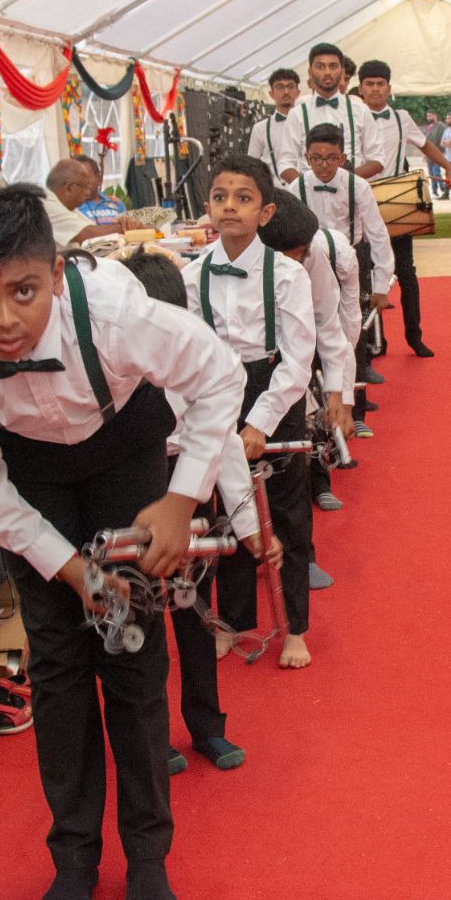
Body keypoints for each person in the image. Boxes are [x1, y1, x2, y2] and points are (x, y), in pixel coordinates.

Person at [0, 184, 266, 900]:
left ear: (53, 269)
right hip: (31, 479)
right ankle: (73, 857)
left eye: (23, 290)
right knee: (58, 667)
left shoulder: (112, 309)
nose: (3, 318)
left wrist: (180, 500)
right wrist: (70, 570)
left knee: (133, 656)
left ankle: (148, 858)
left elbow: (217, 376)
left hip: (125, 452)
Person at [113, 247, 264, 773]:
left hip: (190, 494)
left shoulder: (198, 362)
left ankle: (207, 727)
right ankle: (149, 738)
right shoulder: (111, 367)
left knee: (196, 618)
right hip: (131, 498)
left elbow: (222, 446)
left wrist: (249, 527)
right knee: (139, 626)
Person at [182, 155, 320, 670]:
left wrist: (260, 421)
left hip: (275, 393)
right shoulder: (192, 275)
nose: (229, 208)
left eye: (243, 198)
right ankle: (235, 622)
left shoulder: (287, 275)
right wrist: (216, 420)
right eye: (220, 197)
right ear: (208, 208)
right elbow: (191, 354)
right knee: (225, 516)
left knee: (286, 513)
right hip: (217, 394)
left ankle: (295, 629)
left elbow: (298, 356)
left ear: (264, 213)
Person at [258, 188, 357, 524]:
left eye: (303, 254)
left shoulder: (311, 256)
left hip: (300, 352)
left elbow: (330, 327)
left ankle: (318, 484)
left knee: (303, 432)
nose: (301, 260)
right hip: (248, 365)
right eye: (294, 255)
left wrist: (338, 395)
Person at [352, 60, 451, 357]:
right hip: (362, 204)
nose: (375, 89)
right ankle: (376, 340)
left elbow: (426, 146)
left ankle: (414, 336)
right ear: (360, 88)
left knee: (406, 273)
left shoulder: (401, 118)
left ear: (389, 88)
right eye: (369, 84)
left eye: (380, 84)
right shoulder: (350, 117)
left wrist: (450, 167)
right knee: (367, 275)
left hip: (397, 202)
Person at [300, 126, 394, 395]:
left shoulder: (359, 186)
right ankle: (319, 399)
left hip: (352, 259)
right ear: (307, 158)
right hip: (310, 262)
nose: (324, 165)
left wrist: (381, 285)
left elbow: (378, 233)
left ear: (342, 158)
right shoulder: (296, 187)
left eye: (331, 158)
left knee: (353, 329)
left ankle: (357, 406)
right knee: (314, 328)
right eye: (316, 158)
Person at [43, 158, 126, 247]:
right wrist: (125, 227)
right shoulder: (46, 204)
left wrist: (120, 224)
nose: (87, 192)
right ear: (69, 188)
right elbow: (88, 234)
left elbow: (92, 229)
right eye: (85, 186)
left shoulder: (68, 207)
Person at [245, 68, 308, 182]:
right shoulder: (260, 128)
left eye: (290, 86)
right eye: (280, 87)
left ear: (298, 92)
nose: (286, 92)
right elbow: (251, 165)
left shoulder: (308, 124)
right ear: (271, 94)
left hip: (305, 190)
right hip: (273, 192)